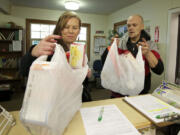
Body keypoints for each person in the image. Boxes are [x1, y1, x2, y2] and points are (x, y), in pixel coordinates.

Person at [20, 11, 92, 102]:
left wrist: (86, 74)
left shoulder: (79, 50)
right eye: (66, 27)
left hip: (77, 99)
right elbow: (24, 70)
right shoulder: (50, 48)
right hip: (54, 102)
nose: (70, 31)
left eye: (75, 27)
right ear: (60, 29)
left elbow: (79, 80)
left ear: (79, 31)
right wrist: (33, 53)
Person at [101, 15, 164, 98]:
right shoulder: (120, 43)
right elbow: (104, 61)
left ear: (142, 26)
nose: (131, 28)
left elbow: (159, 70)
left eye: (134, 25)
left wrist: (148, 53)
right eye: (129, 25)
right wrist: (111, 47)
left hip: (140, 94)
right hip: (118, 92)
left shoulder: (150, 45)